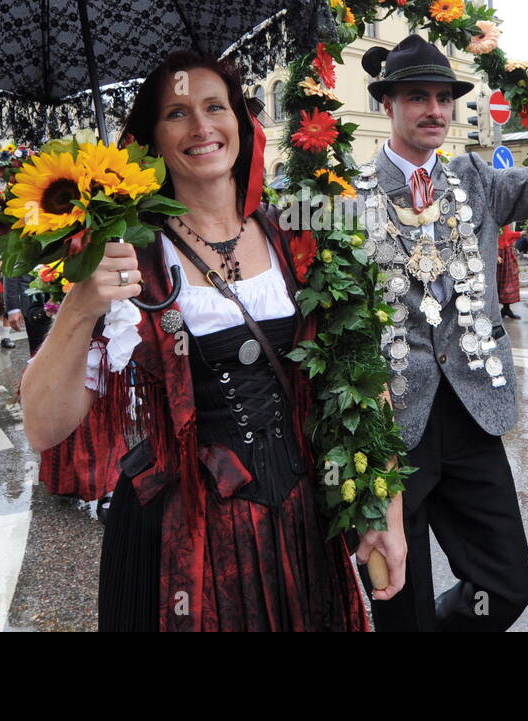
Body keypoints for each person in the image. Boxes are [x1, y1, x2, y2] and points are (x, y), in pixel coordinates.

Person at [20, 51, 381, 631]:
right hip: (179, 540)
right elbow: (43, 426)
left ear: (241, 121)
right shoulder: (130, 258)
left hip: (303, 523)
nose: (202, 127)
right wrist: (81, 305)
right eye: (177, 113)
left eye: (216, 106)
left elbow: (362, 380)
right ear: (151, 141)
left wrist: (383, 512)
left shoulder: (298, 235)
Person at [354, 15, 528, 631]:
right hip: (389, 427)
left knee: (507, 585)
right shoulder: (348, 194)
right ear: (387, 104)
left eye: (444, 97)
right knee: (398, 600)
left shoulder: (474, 181)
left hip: (472, 410)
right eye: (418, 96)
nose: (435, 109)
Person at [497, 224, 521, 319]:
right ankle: (493, 311)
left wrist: (520, 234)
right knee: (496, 282)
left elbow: (507, 234)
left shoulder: (505, 220)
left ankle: (506, 308)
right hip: (498, 252)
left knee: (508, 281)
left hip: (505, 251)